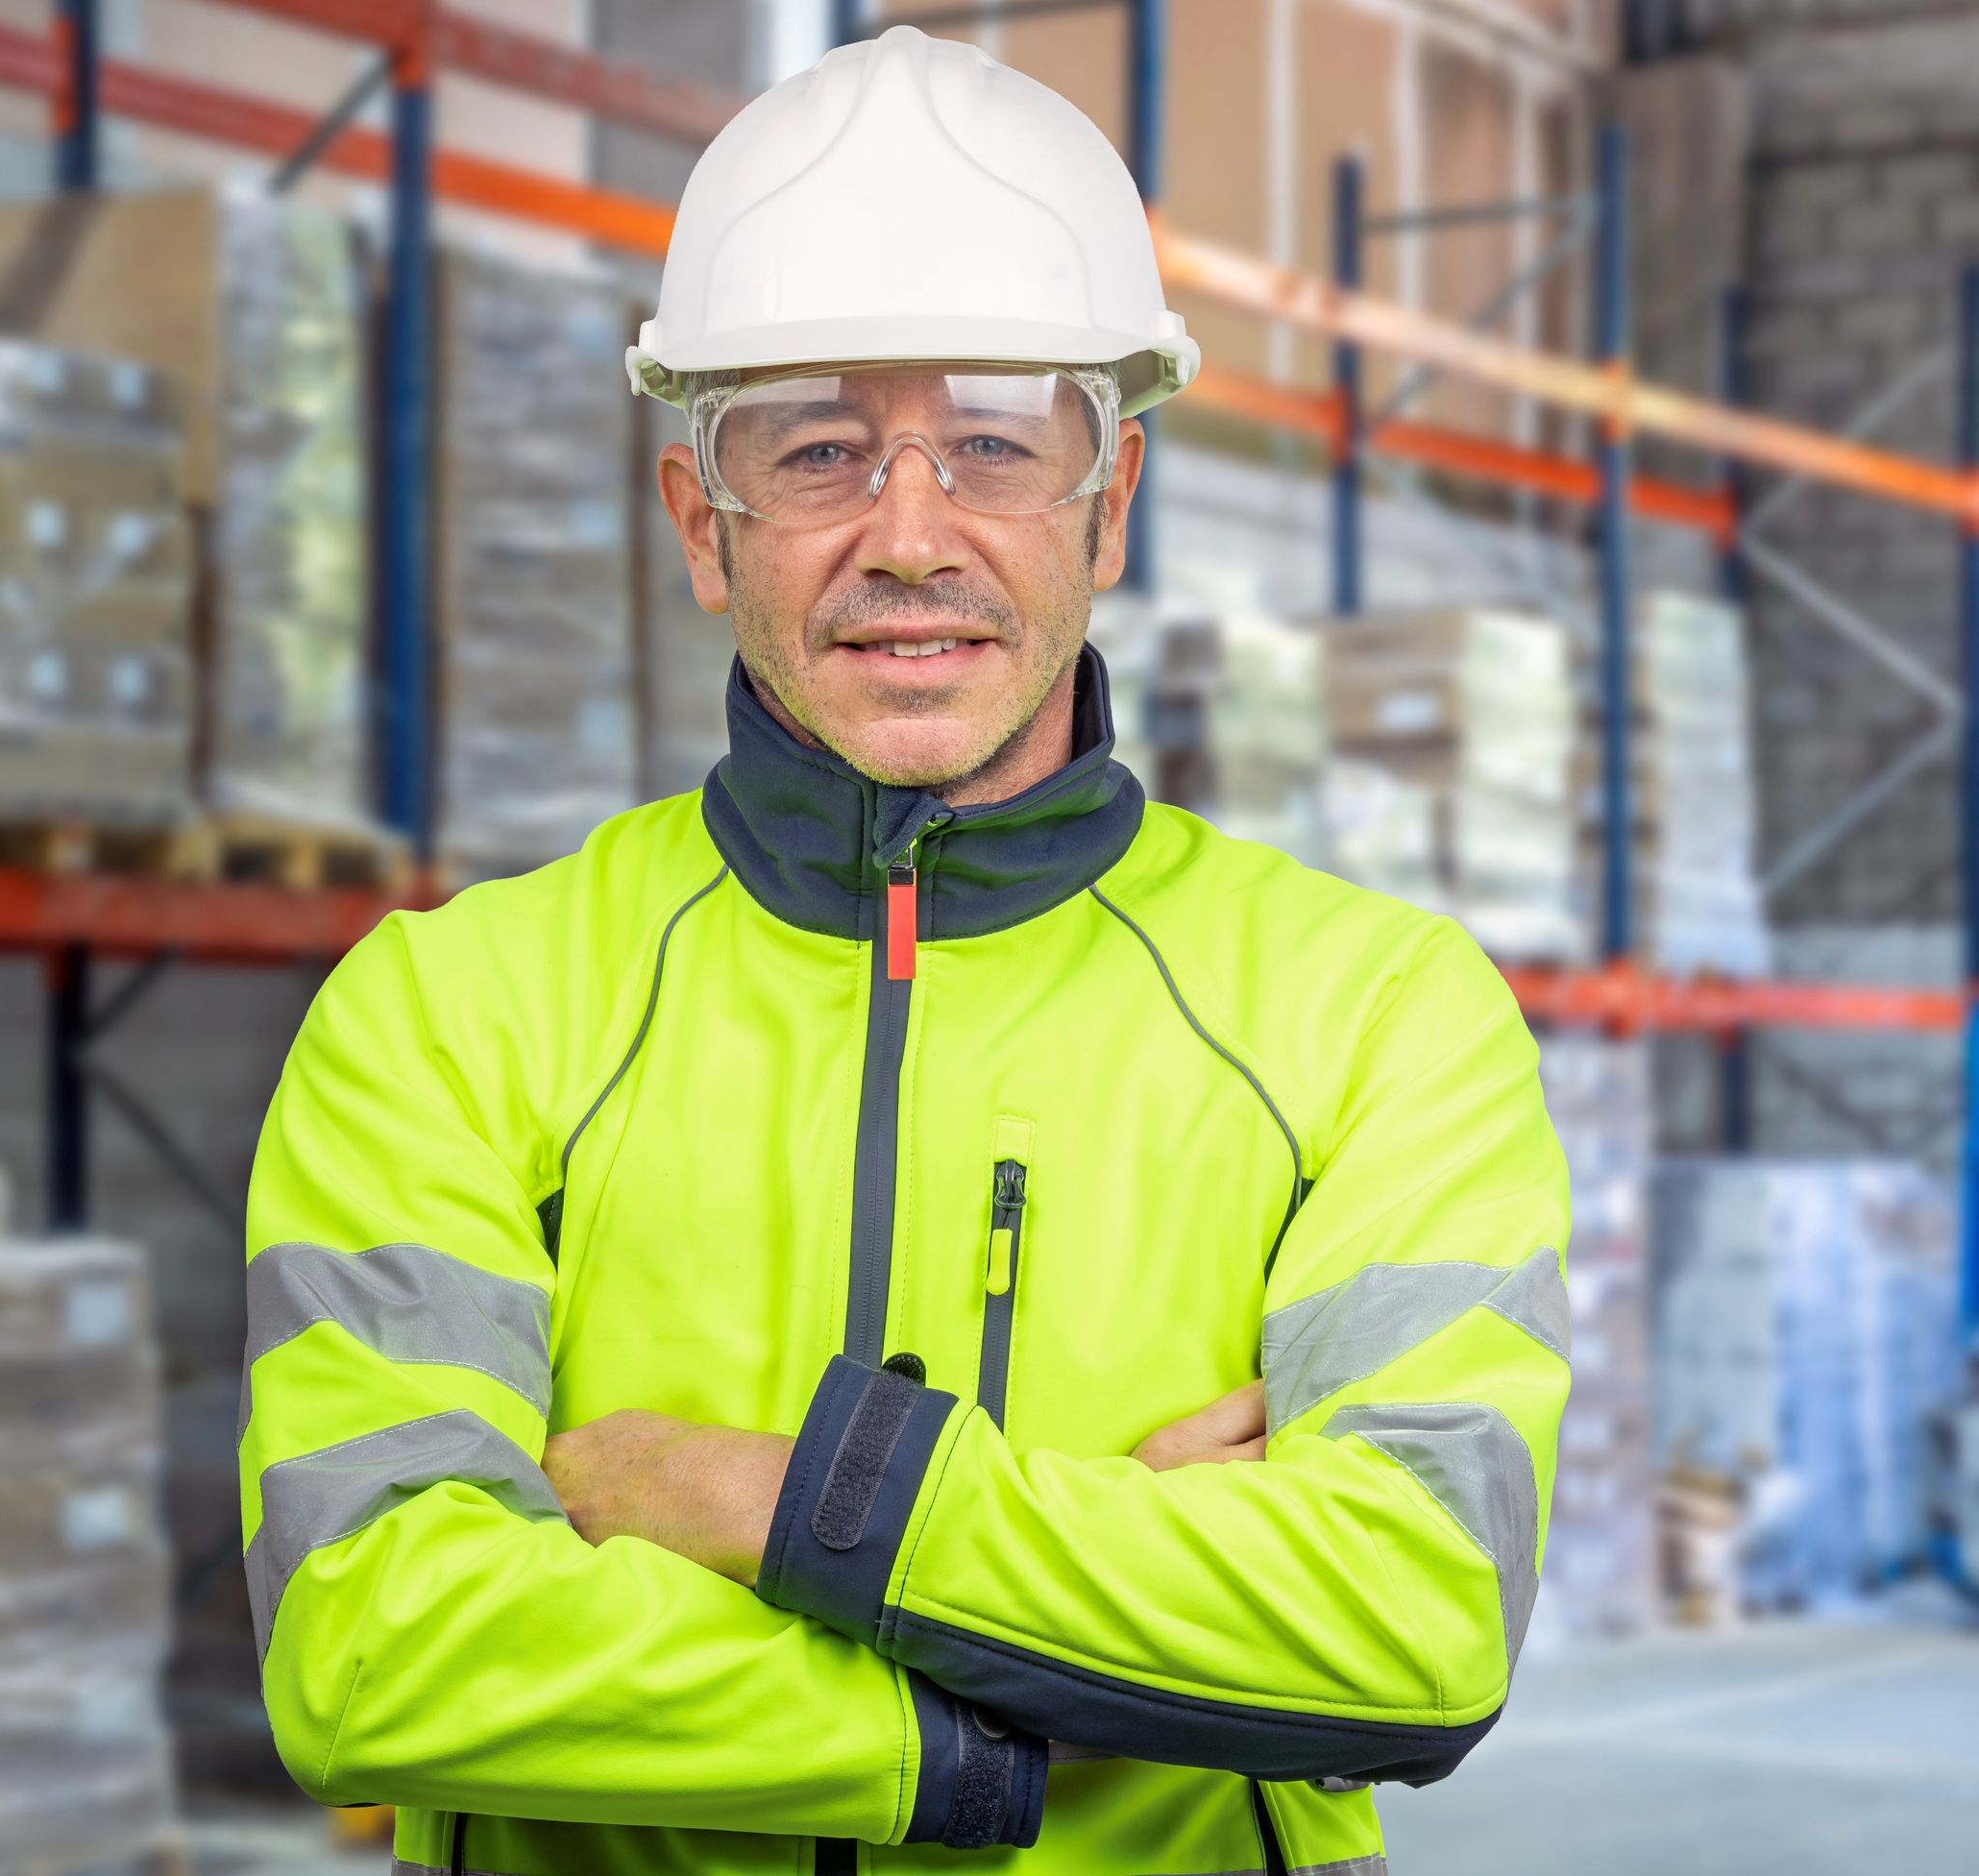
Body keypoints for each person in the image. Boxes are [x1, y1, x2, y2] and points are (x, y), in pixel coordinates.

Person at [238, 26, 1569, 1875]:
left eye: (997, 450)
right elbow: (365, 1654)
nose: (910, 535)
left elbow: (1410, 1627)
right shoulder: (447, 1014)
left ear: (1106, 509)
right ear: (703, 528)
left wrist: (756, 1497)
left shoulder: (1374, 1015)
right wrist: (1014, 1696)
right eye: (820, 451)